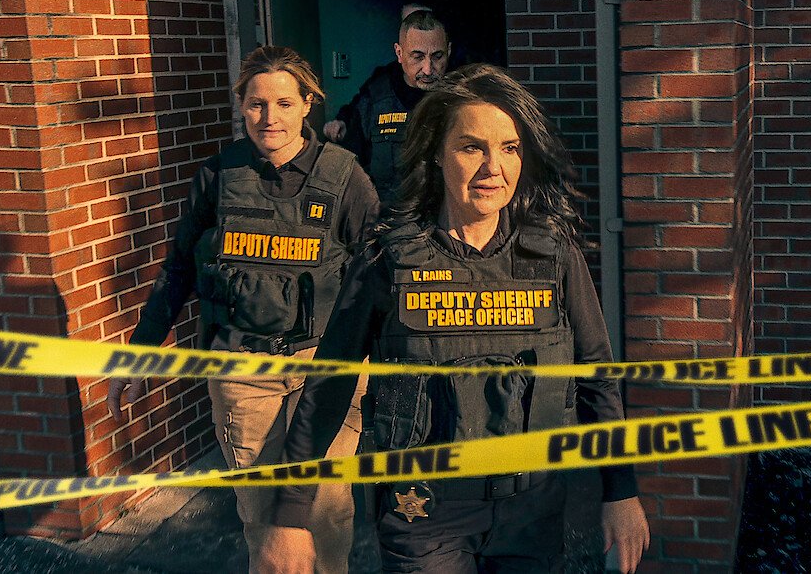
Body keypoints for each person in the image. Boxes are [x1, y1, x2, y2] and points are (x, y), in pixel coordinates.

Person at [257, 64, 650, 573]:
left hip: (532, 511)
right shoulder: (388, 261)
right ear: (437, 154)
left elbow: (596, 374)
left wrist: (621, 492)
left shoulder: (554, 256)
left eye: (510, 148)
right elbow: (330, 383)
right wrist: (290, 513)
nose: (493, 168)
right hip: (424, 515)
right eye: (471, 148)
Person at [109, 46, 379, 574]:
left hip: (324, 369)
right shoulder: (218, 175)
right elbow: (178, 269)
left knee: (325, 513)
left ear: (308, 105)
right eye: (256, 104)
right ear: (241, 106)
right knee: (262, 519)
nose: (269, 117)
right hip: (241, 372)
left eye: (284, 103)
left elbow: (376, 278)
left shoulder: (346, 178)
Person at [322, 6, 451, 204]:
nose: (427, 69)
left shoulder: (460, 97)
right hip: (387, 214)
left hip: (442, 214)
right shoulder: (377, 95)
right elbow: (351, 169)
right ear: (399, 53)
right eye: (417, 57)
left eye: (437, 56)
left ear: (449, 51)